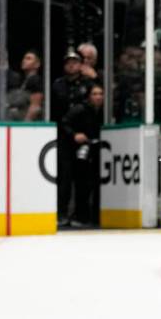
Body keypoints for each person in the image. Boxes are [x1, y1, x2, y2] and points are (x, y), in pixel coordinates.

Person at [61, 84, 104, 227]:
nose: (98, 97)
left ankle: (92, 216)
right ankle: (78, 215)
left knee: (93, 183)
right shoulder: (80, 109)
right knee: (80, 183)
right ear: (89, 97)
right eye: (95, 94)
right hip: (77, 149)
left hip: (95, 149)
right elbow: (65, 123)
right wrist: (74, 135)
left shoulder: (105, 110)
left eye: (100, 94)